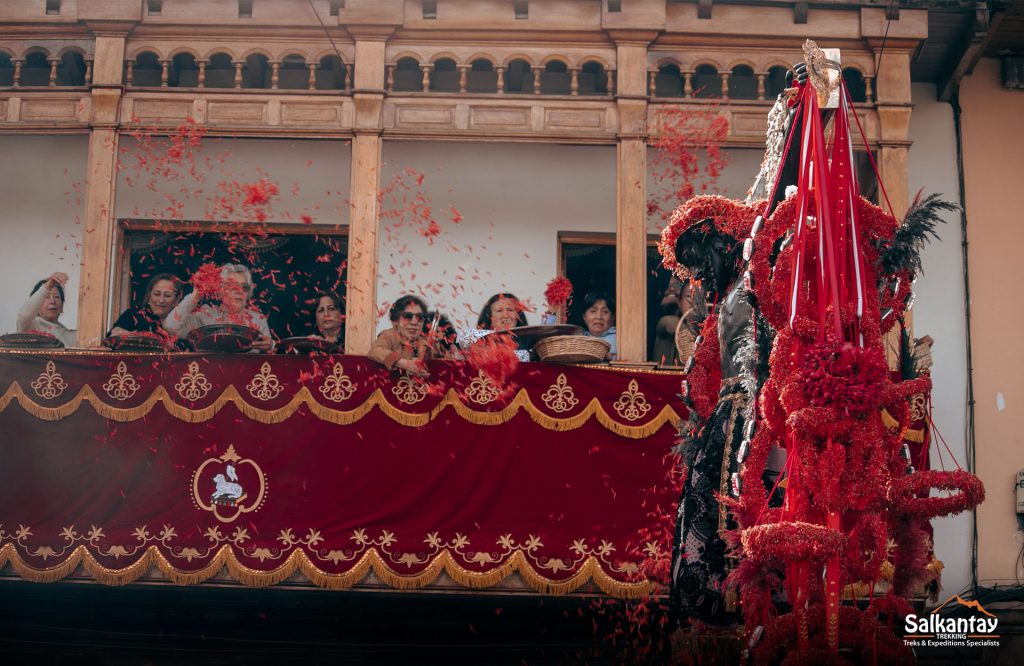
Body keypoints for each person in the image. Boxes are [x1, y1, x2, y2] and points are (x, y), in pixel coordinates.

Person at [164, 263, 274, 353]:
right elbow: (170, 327)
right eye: (232, 286)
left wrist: (270, 345)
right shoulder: (205, 314)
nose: (239, 291)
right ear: (220, 290)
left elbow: (270, 352)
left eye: (244, 287)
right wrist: (195, 296)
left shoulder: (258, 318)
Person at [368, 294, 434, 377]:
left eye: (420, 317)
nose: (414, 322)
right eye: (408, 316)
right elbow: (375, 351)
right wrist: (404, 363)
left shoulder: (425, 342)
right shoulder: (390, 335)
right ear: (396, 320)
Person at [458, 293, 530, 361]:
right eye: (499, 311)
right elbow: (464, 339)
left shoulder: (530, 340)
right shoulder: (476, 338)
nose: (505, 315)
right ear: (489, 316)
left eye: (510, 310)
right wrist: (500, 334)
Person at [107, 273, 182, 338]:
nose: (161, 300)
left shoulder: (184, 319)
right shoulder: (134, 314)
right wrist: (118, 332)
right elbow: (112, 336)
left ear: (177, 300)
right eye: (157, 294)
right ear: (149, 296)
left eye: (167, 295)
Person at [16, 272, 77, 347]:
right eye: (46, 297)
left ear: (62, 307)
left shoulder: (71, 336)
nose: (52, 301)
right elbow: (24, 315)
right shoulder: (31, 326)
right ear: (36, 306)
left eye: (57, 297)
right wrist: (48, 285)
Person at [580, 291, 616, 360]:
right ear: (584, 317)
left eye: (605, 312)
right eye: (593, 311)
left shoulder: (620, 339)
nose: (599, 317)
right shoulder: (579, 340)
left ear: (612, 318)